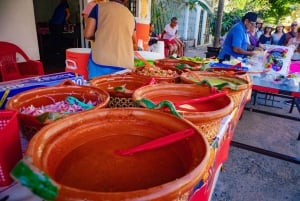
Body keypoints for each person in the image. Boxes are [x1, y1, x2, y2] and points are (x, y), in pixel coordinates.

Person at [84, 0, 137, 79]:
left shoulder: (98, 8)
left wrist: (101, 37)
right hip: (124, 65)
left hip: (100, 62)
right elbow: (134, 42)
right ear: (125, 0)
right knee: (120, 90)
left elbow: (88, 34)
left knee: (98, 89)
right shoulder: (131, 16)